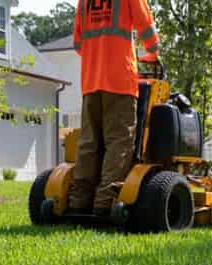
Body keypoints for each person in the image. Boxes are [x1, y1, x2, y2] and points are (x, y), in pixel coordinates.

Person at [67, 0, 160, 216]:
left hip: (90, 82)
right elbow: (145, 24)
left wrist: (97, 54)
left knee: (89, 143)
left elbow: (78, 44)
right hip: (120, 80)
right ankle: (104, 203)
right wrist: (153, 51)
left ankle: (79, 202)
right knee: (118, 142)